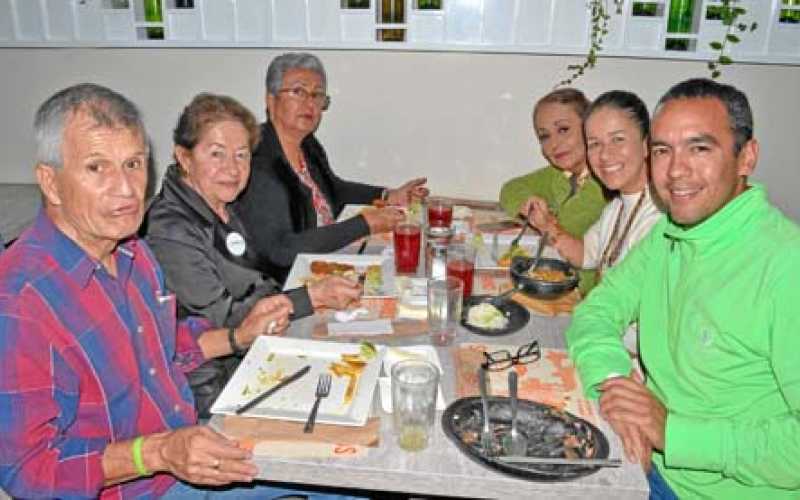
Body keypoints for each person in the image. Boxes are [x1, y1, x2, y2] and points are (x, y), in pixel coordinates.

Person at [0, 83, 358, 499]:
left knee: (355, 469)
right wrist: (156, 453)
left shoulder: (132, 253)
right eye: (97, 168)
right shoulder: (20, 302)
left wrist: (237, 337)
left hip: (189, 449)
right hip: (143, 487)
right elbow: (27, 471)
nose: (126, 188)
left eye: (134, 164)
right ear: (51, 182)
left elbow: (165, 348)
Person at [566, 78, 800, 499]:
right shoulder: (670, 235)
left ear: (746, 156)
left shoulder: (786, 267)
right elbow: (596, 310)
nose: (675, 171)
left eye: (700, 148)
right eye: (662, 150)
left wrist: (675, 433)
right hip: (643, 466)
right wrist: (615, 385)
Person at [144, 93, 362, 418]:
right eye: (216, 154)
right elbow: (224, 317)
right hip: (207, 390)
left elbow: (254, 281)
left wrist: (308, 295)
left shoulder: (221, 206)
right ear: (184, 158)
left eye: (242, 155)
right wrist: (309, 298)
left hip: (249, 358)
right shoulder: (170, 229)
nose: (232, 169)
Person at [235, 52, 428, 282]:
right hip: (287, 284)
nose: (310, 103)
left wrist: (387, 194)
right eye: (298, 92)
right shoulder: (257, 162)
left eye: (317, 95)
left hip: (330, 258)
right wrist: (364, 224)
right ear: (271, 99)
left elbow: (335, 190)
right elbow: (281, 249)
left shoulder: (307, 144)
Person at [522, 90, 663, 300]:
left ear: (646, 144)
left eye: (618, 139)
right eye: (595, 144)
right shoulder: (616, 207)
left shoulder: (660, 220)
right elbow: (586, 253)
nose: (605, 155)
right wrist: (547, 225)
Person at [499, 88, 607, 240]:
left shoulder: (605, 179)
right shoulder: (559, 173)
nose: (554, 144)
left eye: (563, 129)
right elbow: (510, 189)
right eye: (544, 136)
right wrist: (531, 206)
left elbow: (569, 227)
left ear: (589, 128)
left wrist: (545, 220)